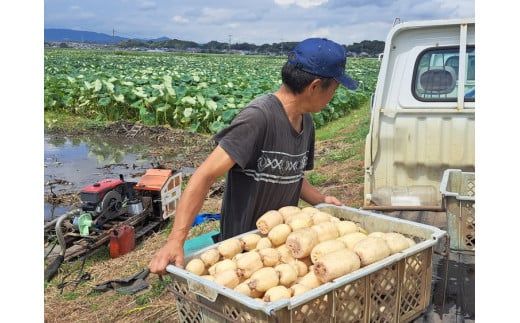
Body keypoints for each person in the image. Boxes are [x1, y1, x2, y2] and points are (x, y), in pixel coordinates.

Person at [149, 38, 358, 275]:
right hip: (241, 250)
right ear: (314, 86)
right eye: (334, 89)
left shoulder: (306, 122)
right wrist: (176, 240)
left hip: (280, 245)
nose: (334, 95)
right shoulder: (258, 118)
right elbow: (205, 175)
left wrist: (320, 199)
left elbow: (292, 174)